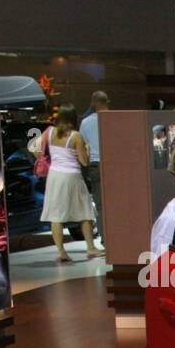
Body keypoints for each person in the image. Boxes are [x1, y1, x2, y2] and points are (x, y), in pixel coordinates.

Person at [39, 103, 100, 263]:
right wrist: (86, 150)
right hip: (72, 176)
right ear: (73, 118)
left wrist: (45, 158)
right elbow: (84, 162)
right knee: (85, 212)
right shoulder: (75, 136)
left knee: (56, 215)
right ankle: (91, 248)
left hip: (54, 176)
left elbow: (34, 148)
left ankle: (61, 252)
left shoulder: (49, 131)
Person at [78, 91, 109, 243]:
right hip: (117, 166)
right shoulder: (117, 119)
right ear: (107, 101)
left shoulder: (85, 123)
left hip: (96, 166)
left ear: (93, 104)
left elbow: (83, 146)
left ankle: (105, 239)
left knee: (101, 206)